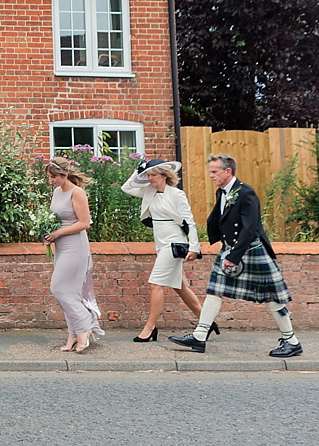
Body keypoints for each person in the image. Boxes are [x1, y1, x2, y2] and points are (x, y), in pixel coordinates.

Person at [169, 153, 302, 357]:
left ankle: (291, 340)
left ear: (227, 171)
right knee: (214, 290)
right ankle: (200, 335)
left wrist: (234, 256)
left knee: (273, 296)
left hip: (249, 250)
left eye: (215, 171)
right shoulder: (222, 192)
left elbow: (249, 229)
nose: (211, 175)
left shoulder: (246, 193)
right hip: (230, 248)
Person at [120, 159, 206, 342]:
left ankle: (150, 328)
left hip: (173, 244)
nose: (150, 178)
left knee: (155, 284)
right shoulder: (148, 192)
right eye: (148, 175)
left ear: (165, 176)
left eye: (153, 175)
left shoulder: (177, 194)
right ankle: (206, 321)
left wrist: (194, 247)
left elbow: (189, 221)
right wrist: (139, 170)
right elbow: (126, 188)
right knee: (180, 287)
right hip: (160, 243)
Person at [43, 157, 104, 353]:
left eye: (54, 177)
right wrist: (48, 233)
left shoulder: (77, 193)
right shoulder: (56, 192)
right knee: (68, 292)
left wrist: (58, 232)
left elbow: (84, 223)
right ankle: (73, 335)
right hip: (60, 246)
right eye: (49, 177)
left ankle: (84, 328)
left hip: (75, 246)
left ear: (65, 175)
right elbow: (56, 219)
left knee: (59, 289)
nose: (51, 180)